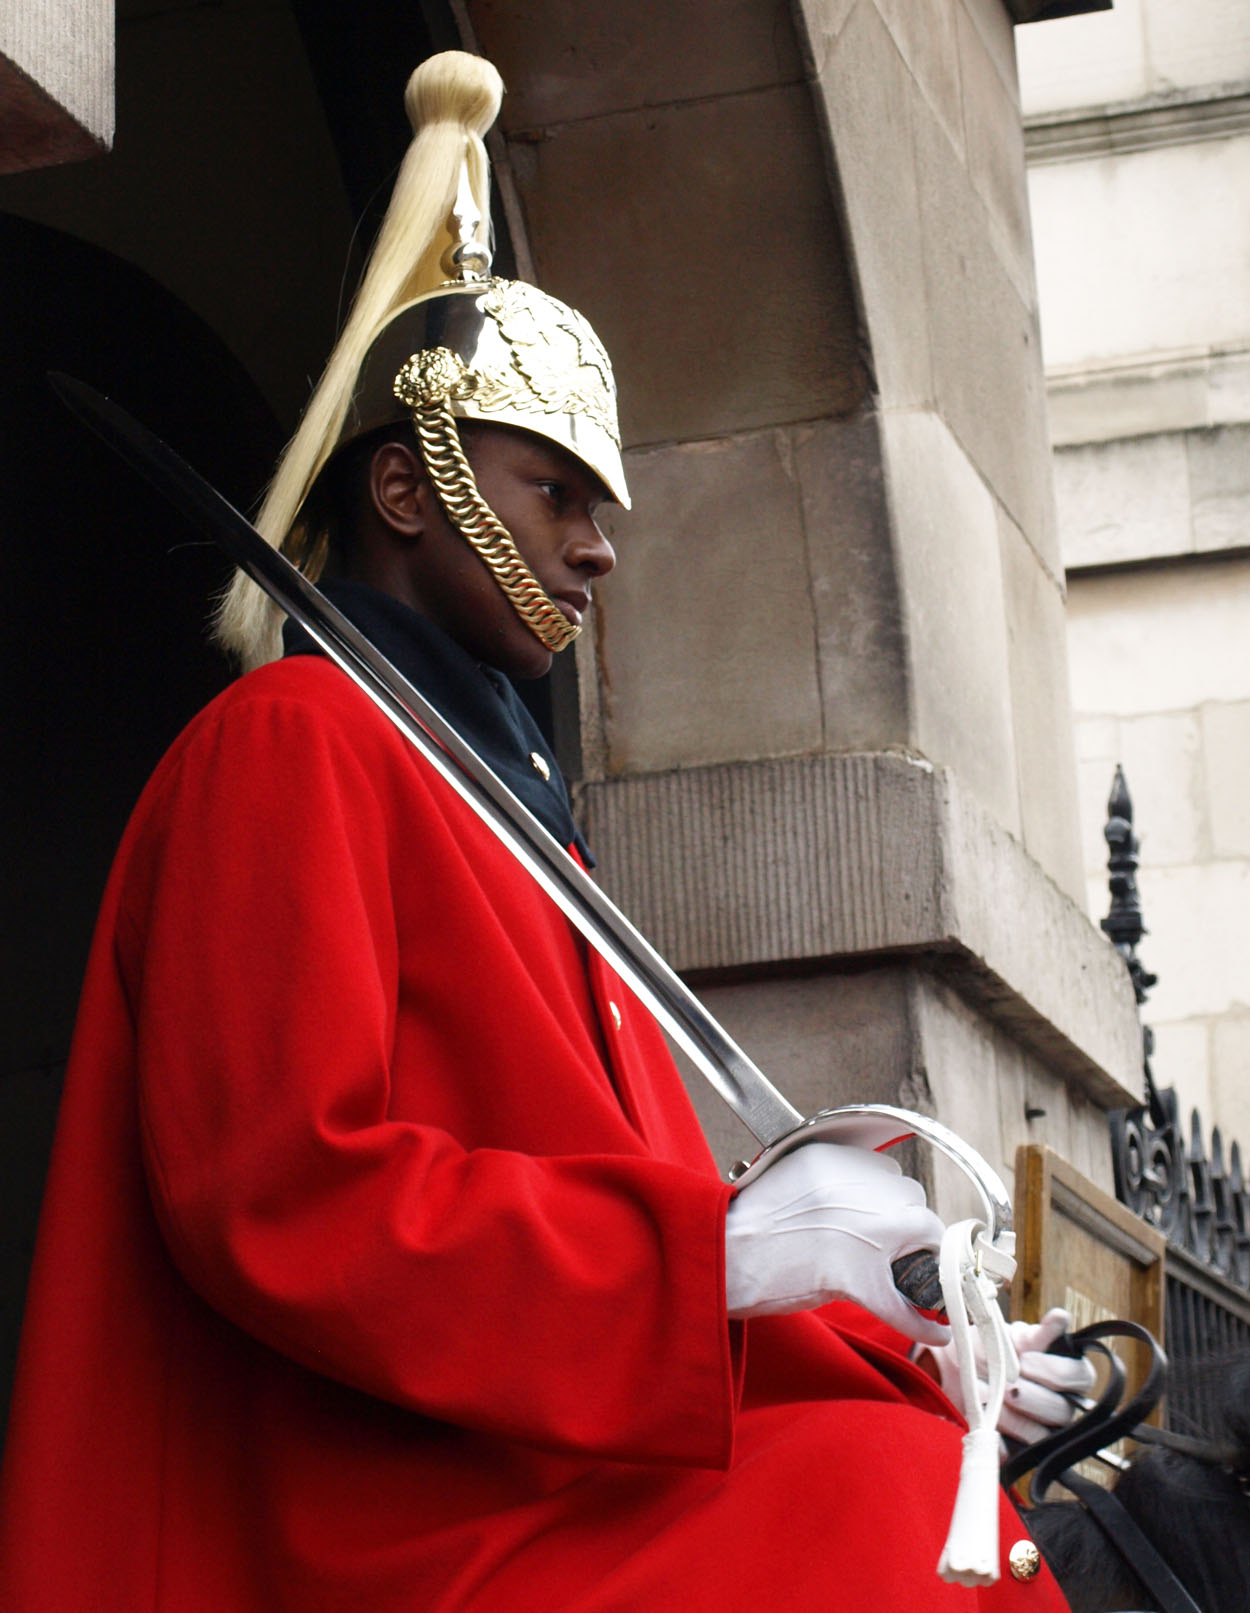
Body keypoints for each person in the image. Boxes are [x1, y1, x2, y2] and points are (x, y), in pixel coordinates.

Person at [0, 51, 1079, 1610]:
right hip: (388, 1495)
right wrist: (734, 1253)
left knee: (921, 1473)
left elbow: (631, 1211)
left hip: (555, 1451)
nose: (598, 547)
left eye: (609, 503)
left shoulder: (522, 822)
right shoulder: (291, 742)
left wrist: (911, 1336)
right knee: (887, 1517)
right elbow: (281, 1191)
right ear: (405, 485)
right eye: (555, 487)